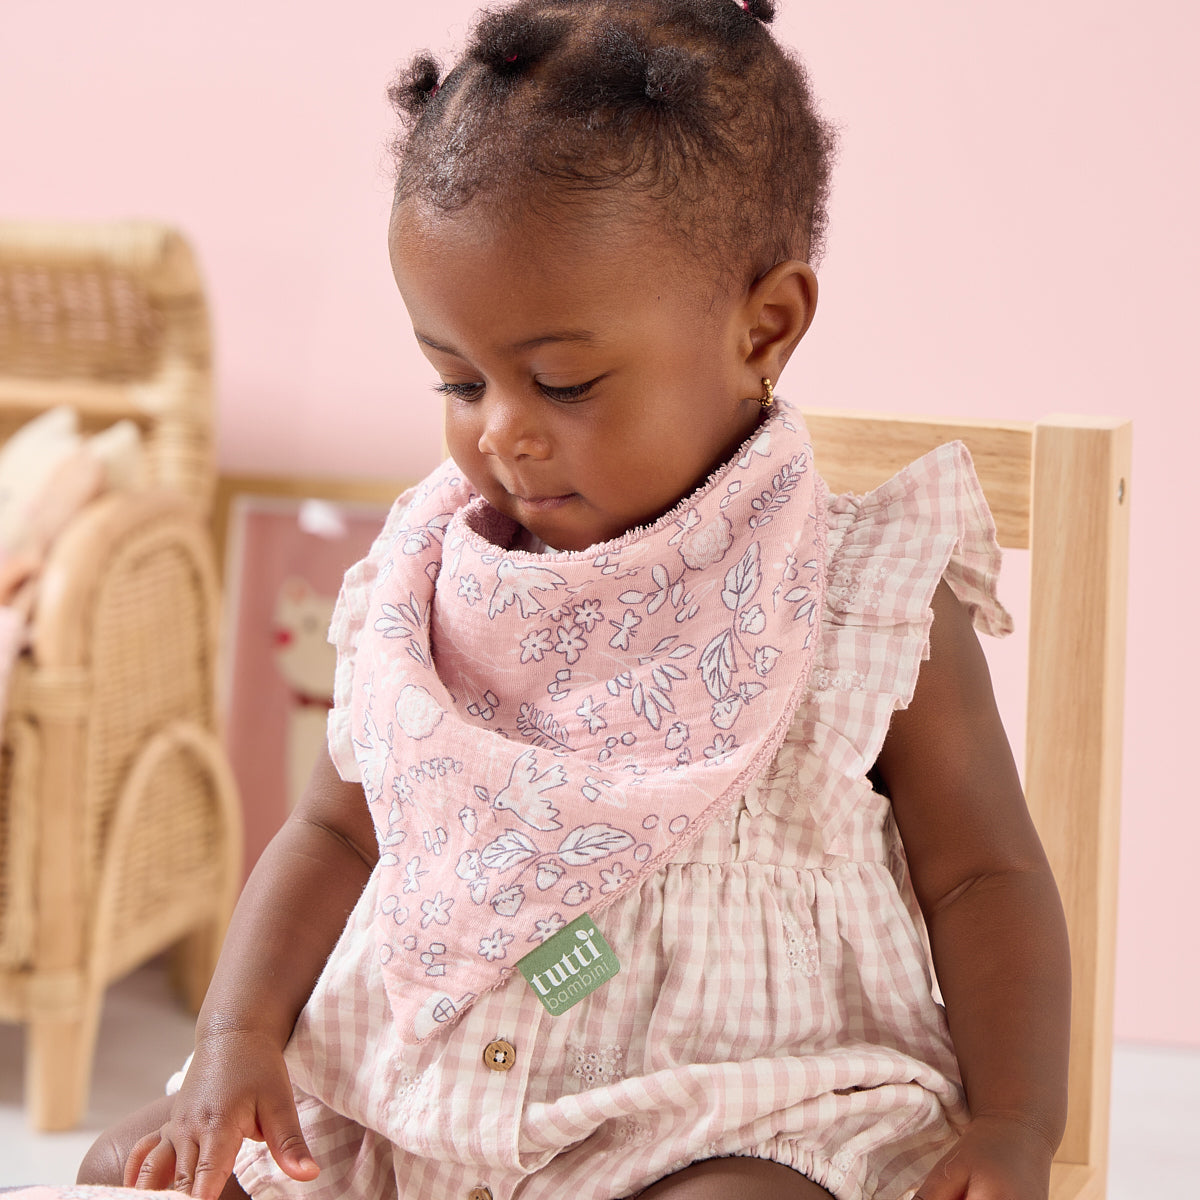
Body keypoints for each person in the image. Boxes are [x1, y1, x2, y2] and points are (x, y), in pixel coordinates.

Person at [78, 1, 1070, 1197]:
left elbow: (983, 876)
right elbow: (334, 831)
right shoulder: (431, 583)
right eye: (455, 376)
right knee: (126, 1172)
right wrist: (234, 1043)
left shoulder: (860, 592)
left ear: (766, 327)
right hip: (413, 1099)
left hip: (725, 1115)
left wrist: (1016, 1124)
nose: (501, 430)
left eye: (562, 380)